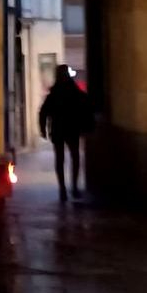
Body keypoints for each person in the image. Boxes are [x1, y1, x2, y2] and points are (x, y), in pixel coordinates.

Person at [39, 64, 92, 202]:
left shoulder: (54, 94)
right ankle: (74, 187)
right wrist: (87, 127)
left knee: (60, 159)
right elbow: (86, 107)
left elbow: (43, 112)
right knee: (75, 157)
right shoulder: (75, 92)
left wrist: (43, 129)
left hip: (58, 130)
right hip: (72, 129)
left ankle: (62, 189)